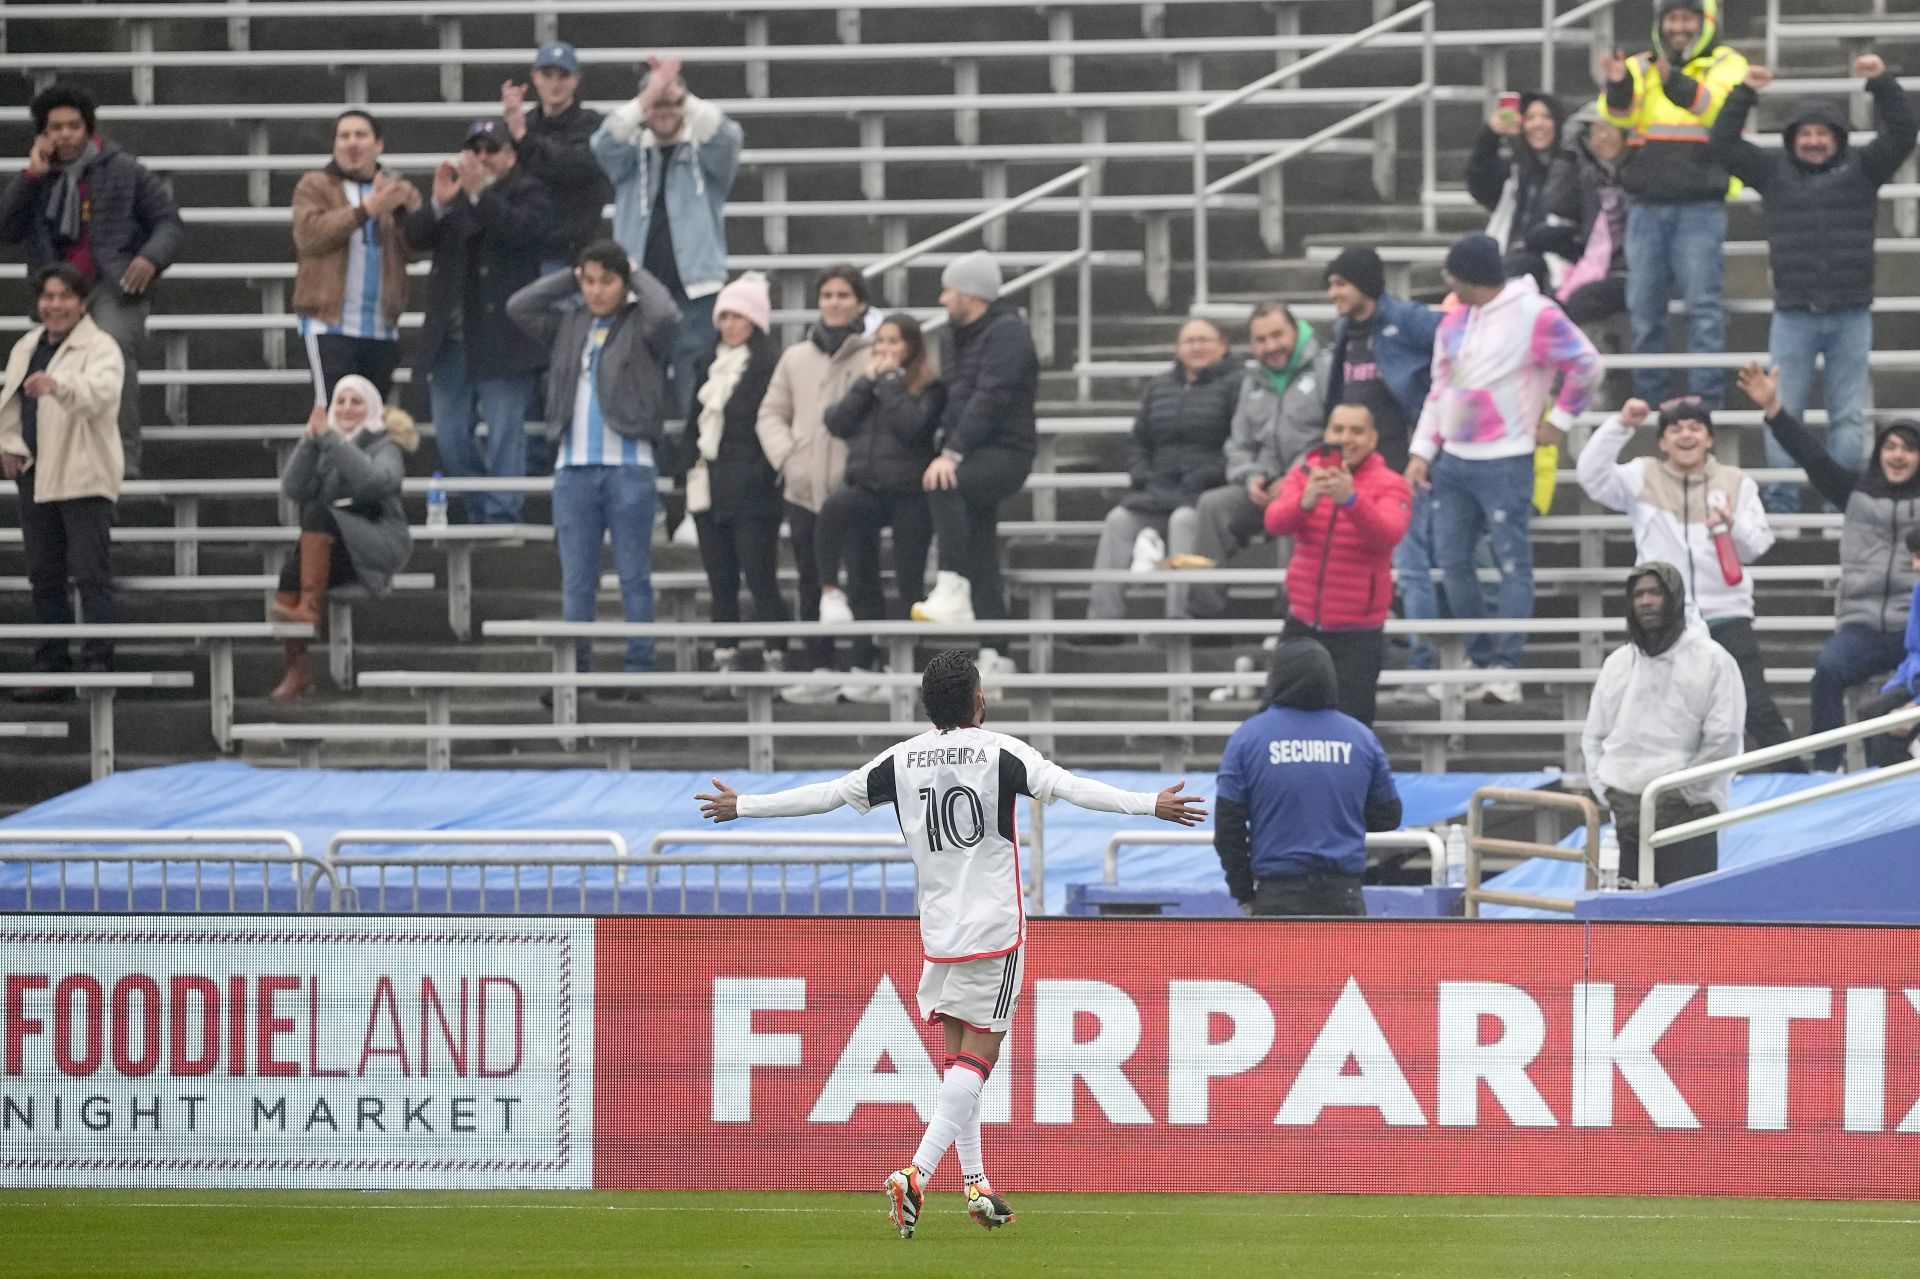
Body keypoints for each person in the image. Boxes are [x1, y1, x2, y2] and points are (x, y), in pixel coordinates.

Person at [694, 648, 1206, 1238]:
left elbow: (829, 794)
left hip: (939, 931)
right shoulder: (1001, 752)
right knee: (980, 1059)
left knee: (959, 1061)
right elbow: (1069, 788)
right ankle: (917, 1172)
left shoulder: (901, 759)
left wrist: (745, 805)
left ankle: (977, 1183)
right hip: (994, 930)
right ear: (979, 702)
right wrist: (1150, 804)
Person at [1711, 53, 1916, 513]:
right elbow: (1723, 143)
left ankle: (1839, 506)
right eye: (1805, 133)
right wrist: (1744, 92)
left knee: (1847, 417)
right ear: (1792, 140)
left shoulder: (1864, 169)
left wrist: (1882, 82)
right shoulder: (1772, 173)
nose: (1814, 141)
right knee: (1781, 412)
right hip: (1793, 316)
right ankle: (1782, 503)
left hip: (1851, 314)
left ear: (1838, 138)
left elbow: (1904, 132)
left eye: (1823, 133)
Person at [1405, 233, 1604, 702]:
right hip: (1454, 459)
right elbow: (1440, 391)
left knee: (1514, 564)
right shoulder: (1454, 321)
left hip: (1507, 457)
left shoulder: (1534, 313)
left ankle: (1506, 667)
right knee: (1453, 562)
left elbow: (1588, 365)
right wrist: (1423, 451)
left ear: (1464, 276)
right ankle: (1479, 658)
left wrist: (1557, 422)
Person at [1577, 395, 1799, 760]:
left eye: (1695, 428)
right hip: (1666, 621)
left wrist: (1731, 526)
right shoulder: (1641, 475)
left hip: (1728, 615)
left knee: (1757, 710)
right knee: (1665, 718)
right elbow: (1590, 475)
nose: (1686, 435)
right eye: (1675, 429)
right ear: (1662, 441)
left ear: (1709, 438)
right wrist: (1622, 425)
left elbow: (1757, 545)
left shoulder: (1735, 481)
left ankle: (1798, 790)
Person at [508, 240, 680, 689]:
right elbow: (519, 306)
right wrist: (570, 274)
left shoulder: (643, 325)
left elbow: (666, 313)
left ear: (625, 283)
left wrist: (637, 270)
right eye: (589, 281)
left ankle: (639, 670)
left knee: (633, 576)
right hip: (573, 470)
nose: (597, 290)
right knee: (577, 581)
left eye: (608, 280)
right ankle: (575, 673)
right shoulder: (569, 323)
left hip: (629, 469)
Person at [1740, 362, 1920, 770]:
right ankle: (1828, 766)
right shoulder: (1854, 492)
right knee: (1827, 670)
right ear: (1879, 452)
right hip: (1861, 628)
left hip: (1915, 629)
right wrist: (1773, 408)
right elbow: (1811, 454)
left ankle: (1890, 770)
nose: (1898, 455)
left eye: (1909, 448)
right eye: (1891, 446)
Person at [0, 82, 182, 481]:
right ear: (43, 134)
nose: (65, 134)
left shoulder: (124, 169)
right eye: (55, 127)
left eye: (73, 126)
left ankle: (123, 454)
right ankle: (57, 455)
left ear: (88, 129)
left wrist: (149, 258)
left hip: (113, 284)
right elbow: (7, 228)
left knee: (112, 351)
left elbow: (167, 221)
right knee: (53, 368)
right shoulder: (37, 177)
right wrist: (31, 176)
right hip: (58, 289)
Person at [1597, 0, 1747, 407]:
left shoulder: (1728, 63)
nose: (1678, 28)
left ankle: (1706, 405)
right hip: (1645, 206)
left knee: (1703, 311)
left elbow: (1719, 110)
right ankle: (1649, 404)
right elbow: (1616, 119)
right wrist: (1617, 84)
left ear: (1705, 22)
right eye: (1671, 19)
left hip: (1700, 207)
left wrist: (1672, 79)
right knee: (1644, 312)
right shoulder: (1642, 64)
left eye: (1686, 19)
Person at [407, 118, 553, 525]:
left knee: (507, 431)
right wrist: (436, 203)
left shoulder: (529, 191)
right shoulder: (453, 195)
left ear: (510, 155)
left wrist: (481, 194)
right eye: (477, 150)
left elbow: (524, 231)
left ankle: (502, 514)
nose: (483, 158)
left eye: (492, 149)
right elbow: (415, 238)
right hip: (450, 338)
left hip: (501, 336)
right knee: (451, 435)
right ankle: (477, 506)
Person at [591, 54, 744, 414]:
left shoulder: (707, 159)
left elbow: (729, 136)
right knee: (643, 385)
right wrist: (648, 96)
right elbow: (602, 143)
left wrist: (678, 94)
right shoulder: (629, 159)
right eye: (655, 105)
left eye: (672, 105)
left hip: (697, 291)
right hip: (641, 292)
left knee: (695, 389)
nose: (664, 111)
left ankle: (693, 467)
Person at [0, 264, 125, 699]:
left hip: (83, 474)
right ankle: (51, 665)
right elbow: (11, 407)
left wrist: (60, 386)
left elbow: (101, 396)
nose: (55, 305)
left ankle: (98, 663)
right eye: (48, 297)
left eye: (64, 297)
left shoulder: (102, 347)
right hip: (36, 475)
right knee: (44, 575)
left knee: (91, 573)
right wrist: (10, 446)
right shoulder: (26, 346)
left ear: (82, 301)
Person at [911, 251, 1039, 673]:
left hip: (1005, 452)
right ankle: (996, 647)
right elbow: (957, 398)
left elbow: (991, 396)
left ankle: (952, 584)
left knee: (942, 482)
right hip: (974, 451)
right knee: (980, 546)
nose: (943, 299)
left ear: (971, 293)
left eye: (949, 290)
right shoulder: (954, 336)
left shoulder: (1009, 334)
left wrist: (951, 452)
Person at [757, 265, 878, 698]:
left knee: (863, 573)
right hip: (804, 488)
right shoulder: (795, 357)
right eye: (827, 295)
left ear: (860, 302)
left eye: (844, 295)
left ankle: (866, 664)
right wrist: (789, 458)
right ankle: (820, 665)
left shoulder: (873, 355)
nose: (834, 302)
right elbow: (771, 413)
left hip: (854, 489)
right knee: (810, 577)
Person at [1214, 639, 1402, 917]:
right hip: (1344, 895)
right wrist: (1336, 818)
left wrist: (1243, 892)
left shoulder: (1246, 739)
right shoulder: (1361, 738)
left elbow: (1228, 827)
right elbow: (1389, 815)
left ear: (1276, 678)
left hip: (1276, 895)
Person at [1583, 562, 1744, 885]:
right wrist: (1610, 794)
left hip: (1689, 816)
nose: (1645, 601)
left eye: (1655, 592)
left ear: (1673, 597)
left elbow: (1722, 741)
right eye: (1638, 594)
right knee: (1627, 930)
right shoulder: (1618, 664)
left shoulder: (1712, 660)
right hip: (1626, 819)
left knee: (1685, 928)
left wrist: (1679, 794)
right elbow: (1593, 739)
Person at [1322, 245, 1442, 672]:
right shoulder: (1344, 332)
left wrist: (1432, 441)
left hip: (1403, 470)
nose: (1333, 293)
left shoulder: (1408, 319)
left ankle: (1426, 661)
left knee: (1412, 567)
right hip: (1358, 472)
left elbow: (1460, 356)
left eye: (1340, 284)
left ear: (1364, 284)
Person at [1262, 397, 1414, 727]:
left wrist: (1352, 501)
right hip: (1301, 623)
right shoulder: (1304, 474)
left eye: (1357, 431)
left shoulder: (1392, 483)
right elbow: (1274, 522)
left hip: (1358, 632)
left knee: (1351, 725)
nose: (1346, 438)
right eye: (1339, 429)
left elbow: (1389, 534)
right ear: (1326, 432)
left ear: (1373, 439)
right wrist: (1303, 503)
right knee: (1274, 718)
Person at [266, 375, 418, 701]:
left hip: (380, 540)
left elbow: (374, 483)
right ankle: (297, 668)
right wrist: (310, 439)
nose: (348, 408)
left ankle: (309, 607)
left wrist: (332, 440)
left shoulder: (384, 446)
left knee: (318, 514)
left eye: (356, 402)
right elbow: (293, 488)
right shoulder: (324, 443)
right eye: (341, 401)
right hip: (338, 543)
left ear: (371, 408)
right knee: (290, 571)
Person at [1175, 302, 1330, 620]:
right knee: (1211, 505)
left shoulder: (1325, 369)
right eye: (1261, 339)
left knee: (1292, 504)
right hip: (1264, 484)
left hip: (1314, 482)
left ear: (1296, 331)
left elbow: (1336, 437)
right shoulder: (1252, 381)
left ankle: (1292, 609)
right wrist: (1251, 476)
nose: (1270, 346)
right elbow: (1239, 445)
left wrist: (1299, 475)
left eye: (1277, 335)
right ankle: (1206, 614)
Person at [817, 313, 944, 698]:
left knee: (909, 583)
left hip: (910, 493)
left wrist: (889, 383)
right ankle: (860, 654)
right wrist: (864, 385)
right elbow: (836, 422)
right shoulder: (868, 384)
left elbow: (913, 427)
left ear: (911, 346)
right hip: (867, 488)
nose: (885, 350)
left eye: (893, 342)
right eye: (880, 343)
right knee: (855, 561)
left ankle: (911, 671)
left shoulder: (929, 386)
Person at [1088, 318, 1238, 622]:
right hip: (1157, 492)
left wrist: (1203, 478)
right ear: (1178, 348)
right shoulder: (1158, 387)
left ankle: (1179, 619)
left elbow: (1238, 445)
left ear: (1222, 345)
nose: (1196, 347)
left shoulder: (1239, 385)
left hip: (1205, 495)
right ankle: (1102, 620)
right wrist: (1142, 475)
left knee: (1184, 521)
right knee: (1118, 521)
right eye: (1189, 341)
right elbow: (1138, 441)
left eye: (1204, 340)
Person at [685, 272, 789, 692]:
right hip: (709, 486)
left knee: (760, 576)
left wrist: (762, 475)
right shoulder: (704, 366)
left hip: (754, 492)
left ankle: (775, 657)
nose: (728, 324)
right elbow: (693, 427)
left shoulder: (769, 366)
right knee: (720, 579)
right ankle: (724, 659)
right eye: (723, 315)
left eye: (738, 315)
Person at [291, 109, 420, 404]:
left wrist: (407, 211)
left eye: (361, 135)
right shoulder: (315, 185)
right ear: (334, 145)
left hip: (380, 327)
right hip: (329, 322)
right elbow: (309, 236)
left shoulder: (393, 190)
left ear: (378, 145)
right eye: (344, 136)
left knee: (371, 422)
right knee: (336, 417)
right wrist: (367, 208)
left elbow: (415, 250)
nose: (352, 143)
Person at [502, 41, 611, 275]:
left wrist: (523, 138)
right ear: (534, 77)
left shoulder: (593, 125)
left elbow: (568, 166)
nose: (555, 83)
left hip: (573, 253)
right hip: (521, 253)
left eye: (563, 75)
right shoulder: (522, 124)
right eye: (547, 74)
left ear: (576, 79)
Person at [1533, 107, 1631, 329]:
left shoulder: (1639, 174)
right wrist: (1567, 154)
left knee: (1582, 300)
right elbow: (1556, 204)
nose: (1602, 138)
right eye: (1595, 132)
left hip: (1631, 269)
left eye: (1609, 130)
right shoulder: (1589, 176)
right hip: (1594, 265)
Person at [1466, 91, 1562, 256]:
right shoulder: (1514, 172)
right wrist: (1490, 135)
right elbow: (1479, 181)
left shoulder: (1572, 169)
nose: (1538, 124)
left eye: (1547, 117)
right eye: (1530, 118)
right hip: (1511, 263)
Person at [1856, 528, 1920, 768]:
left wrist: (1915, 707)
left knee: (1889, 731)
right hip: (1913, 681)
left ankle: (1900, 791)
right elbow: (1913, 651)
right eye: (1914, 556)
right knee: (1870, 714)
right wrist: (1892, 690)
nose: (1915, 565)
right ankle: (1882, 787)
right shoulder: (1918, 592)